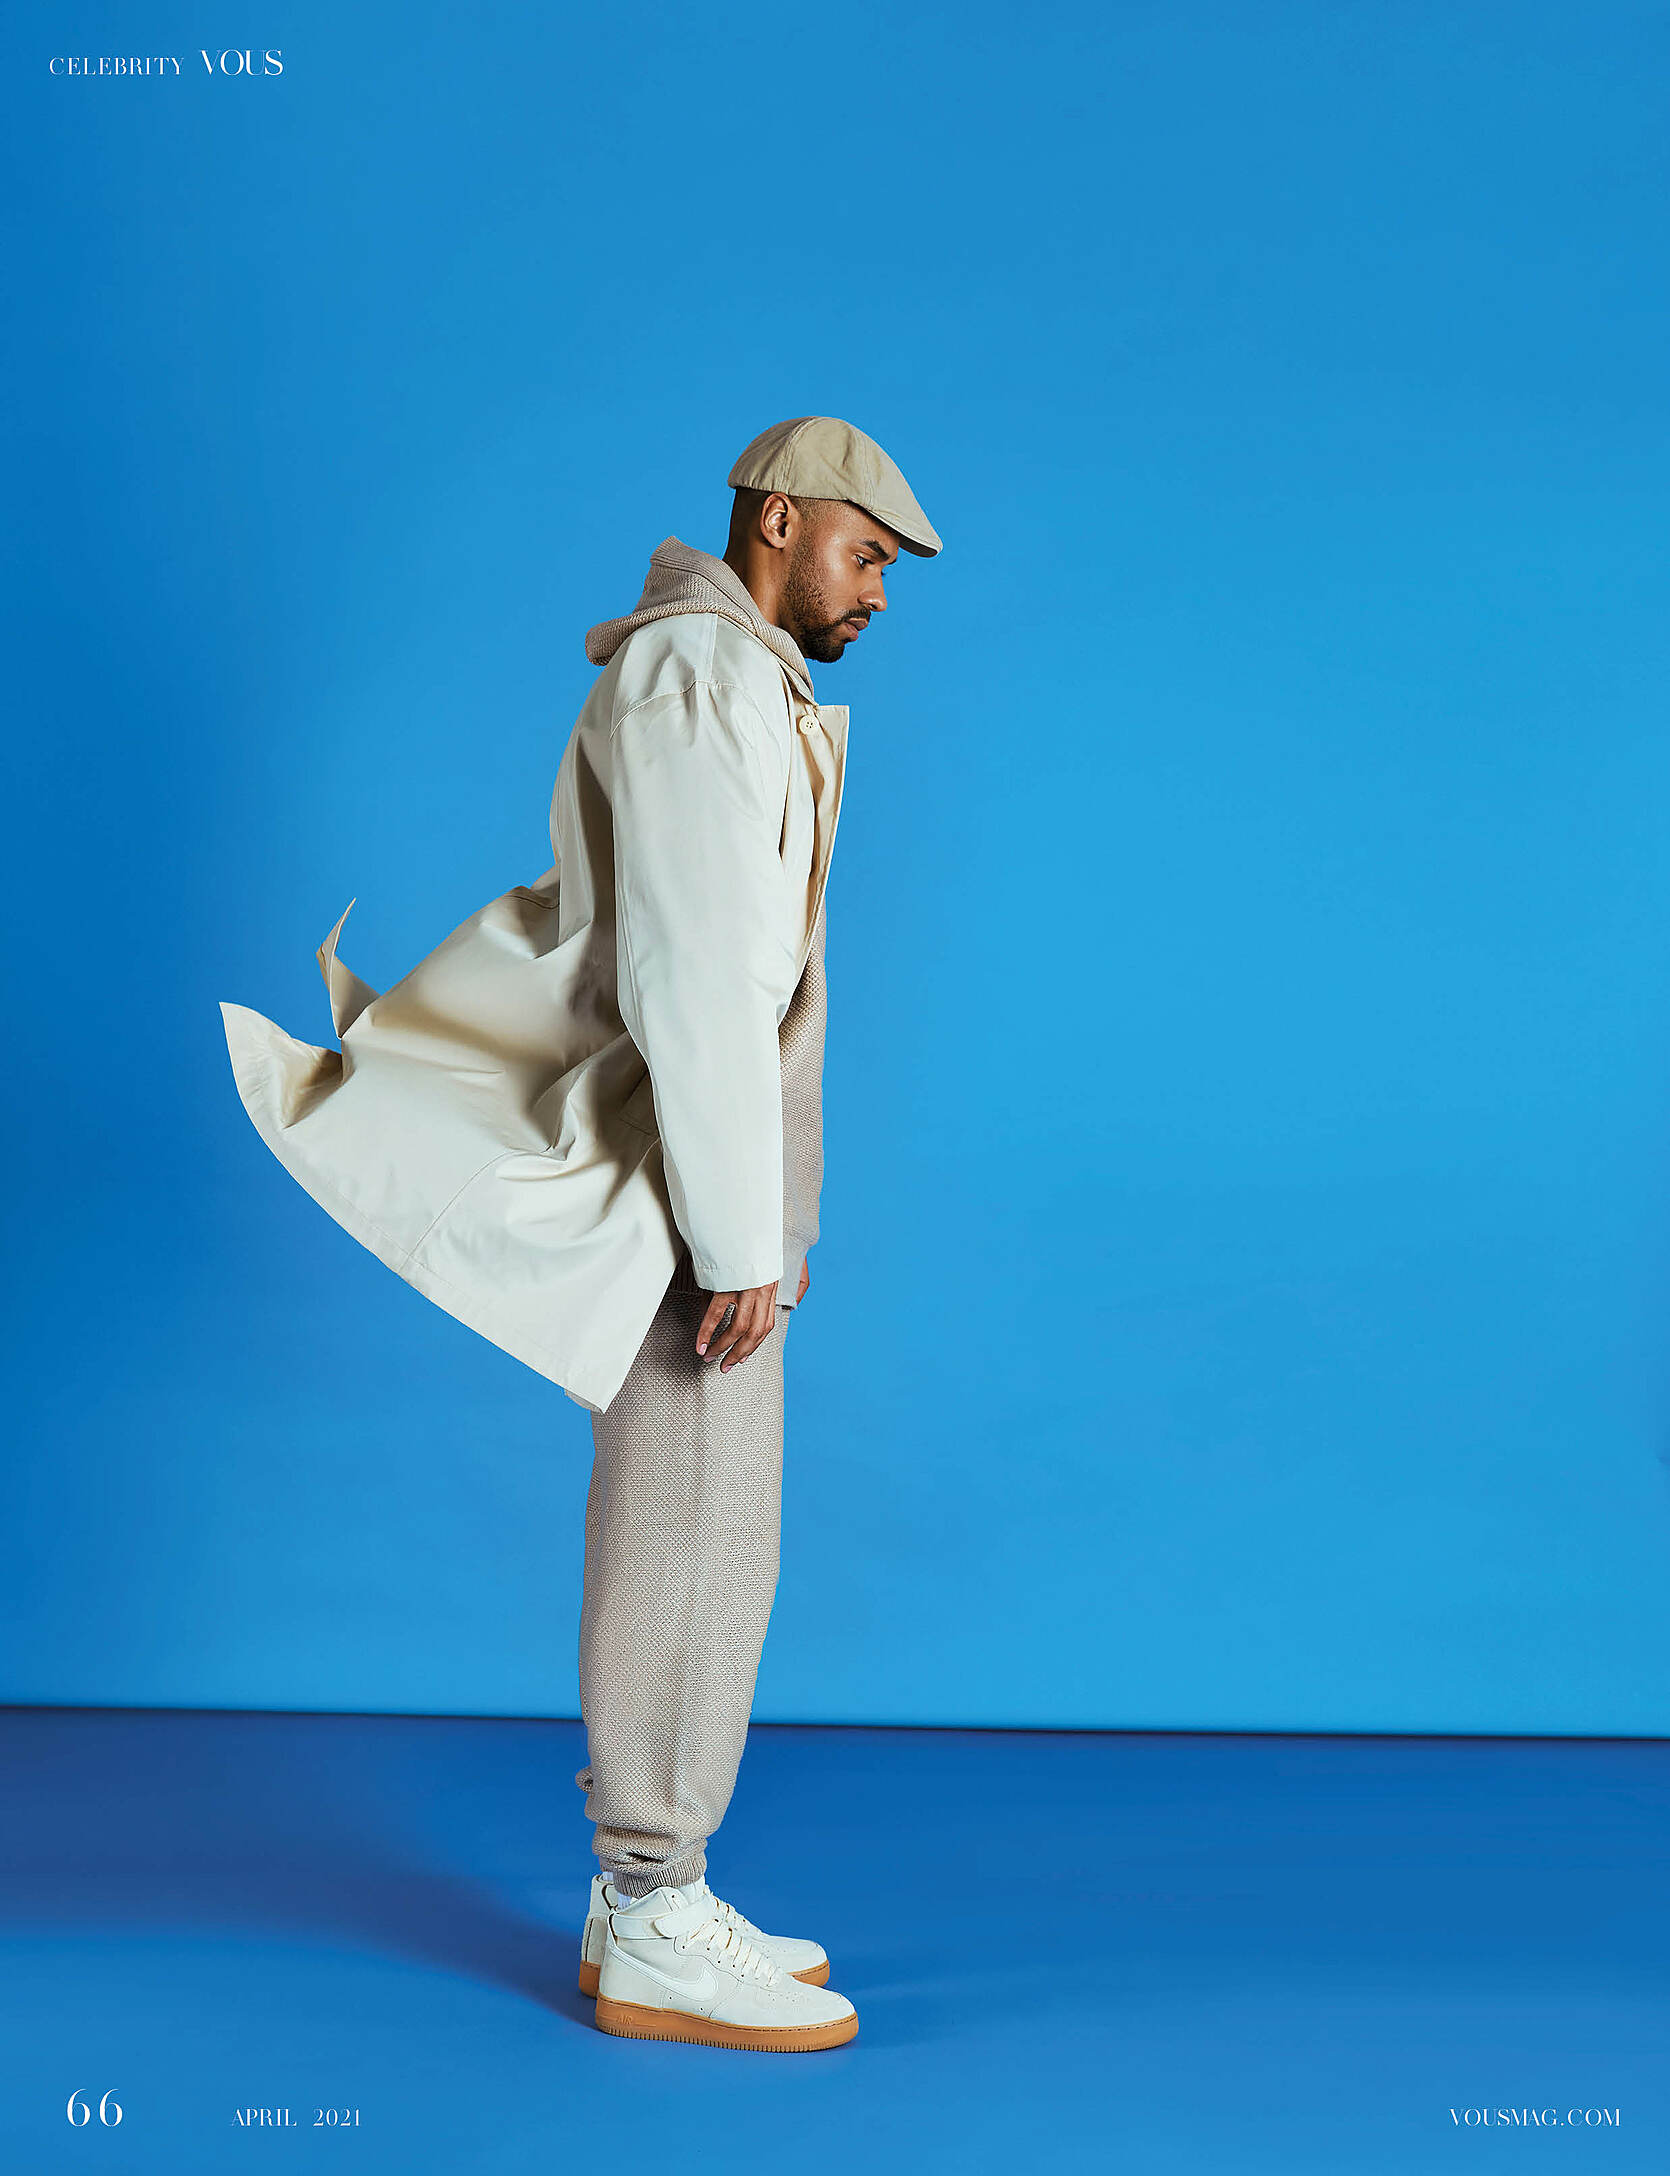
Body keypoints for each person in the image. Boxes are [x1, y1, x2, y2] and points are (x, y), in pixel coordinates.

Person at [219, 415, 942, 2052]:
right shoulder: (699, 673)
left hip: (701, 1178)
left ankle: (651, 1895)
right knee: (691, 1540)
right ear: (773, 522)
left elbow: (743, 981)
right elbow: (697, 975)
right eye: (865, 554)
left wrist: (775, 1208)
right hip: (679, 1190)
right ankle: (654, 1906)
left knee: (712, 1535)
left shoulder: (735, 674)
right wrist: (738, 1234)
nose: (879, 592)